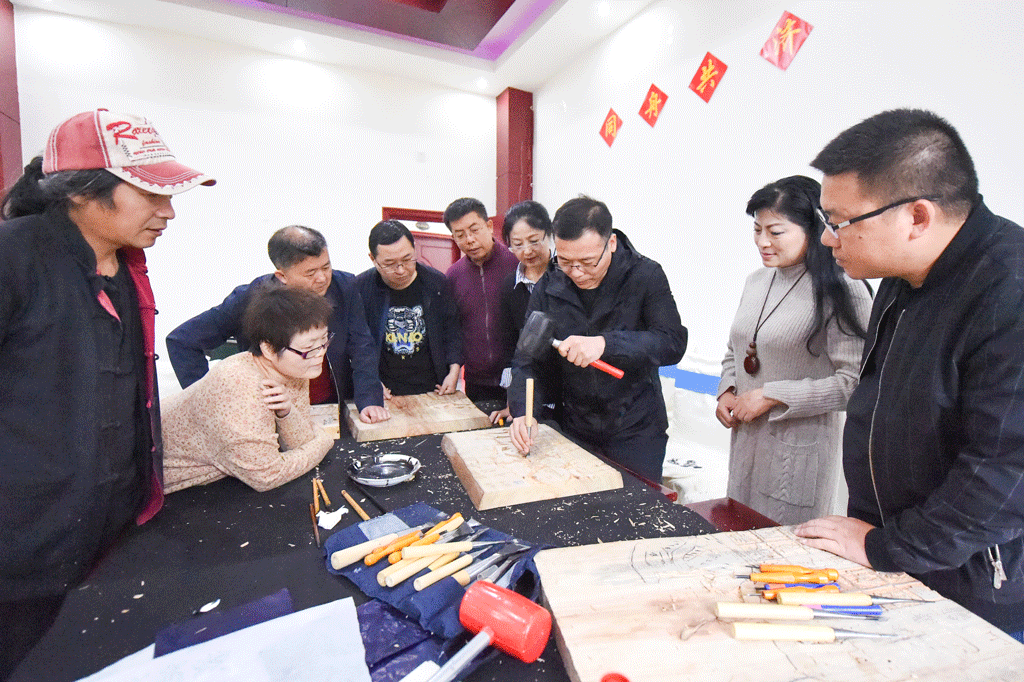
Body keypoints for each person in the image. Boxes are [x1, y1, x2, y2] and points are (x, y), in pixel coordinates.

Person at [793, 109, 1024, 640]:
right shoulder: (902, 275)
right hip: (898, 557)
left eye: (839, 222)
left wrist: (887, 547)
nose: (827, 239)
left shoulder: (1009, 290)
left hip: (975, 582)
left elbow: (1006, 472)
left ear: (917, 217)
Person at [0, 108, 214, 677]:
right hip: (23, 552)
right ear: (81, 191)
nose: (169, 211)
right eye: (150, 193)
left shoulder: (126, 269)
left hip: (111, 533)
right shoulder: (14, 257)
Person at [716, 176, 872, 525]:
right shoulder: (757, 281)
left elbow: (855, 383)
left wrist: (772, 395)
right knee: (737, 536)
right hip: (746, 446)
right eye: (757, 230)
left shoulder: (841, 288)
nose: (762, 242)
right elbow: (736, 348)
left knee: (780, 551)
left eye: (775, 232)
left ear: (813, 229)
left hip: (797, 460)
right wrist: (727, 389)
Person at [508, 196, 688, 483]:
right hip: (576, 426)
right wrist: (523, 410)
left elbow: (672, 342)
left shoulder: (644, 276)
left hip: (635, 429)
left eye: (588, 262)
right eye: (566, 261)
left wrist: (605, 344)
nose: (577, 273)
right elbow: (527, 358)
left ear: (611, 243)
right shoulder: (550, 283)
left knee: (634, 504)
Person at [166, 225, 389, 424]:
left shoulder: (345, 286)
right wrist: (209, 402)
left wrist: (370, 399)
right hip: (270, 414)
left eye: (326, 267)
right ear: (282, 275)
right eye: (310, 273)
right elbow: (183, 341)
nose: (322, 278)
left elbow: (362, 346)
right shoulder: (251, 298)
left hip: (330, 406)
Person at [162, 287, 334, 493]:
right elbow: (267, 476)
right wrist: (324, 441)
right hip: (162, 482)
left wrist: (287, 414)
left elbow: (302, 442)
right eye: (309, 348)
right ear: (268, 349)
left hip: (221, 477)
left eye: (324, 341)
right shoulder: (239, 388)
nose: (320, 354)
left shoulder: (295, 367)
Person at [355, 219, 462, 397]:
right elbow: (357, 344)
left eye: (407, 259)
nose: (401, 270)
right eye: (390, 264)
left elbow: (452, 331)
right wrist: (370, 381)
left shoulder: (436, 283)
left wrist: (454, 371)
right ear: (373, 259)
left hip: (433, 388)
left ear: (414, 249)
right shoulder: (361, 288)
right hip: (384, 390)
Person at [444, 197, 518, 402]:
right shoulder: (453, 276)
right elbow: (453, 329)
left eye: (474, 230)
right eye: (460, 235)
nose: (469, 240)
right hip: (476, 382)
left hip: (517, 377)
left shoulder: (516, 264)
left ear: (489, 226)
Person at [489, 200, 557, 425]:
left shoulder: (566, 277)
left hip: (568, 394)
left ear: (549, 234)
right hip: (530, 388)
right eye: (517, 244)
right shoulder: (510, 286)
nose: (527, 251)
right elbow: (510, 347)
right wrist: (514, 401)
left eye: (534, 241)